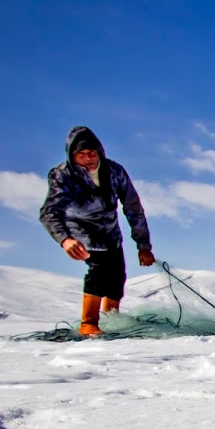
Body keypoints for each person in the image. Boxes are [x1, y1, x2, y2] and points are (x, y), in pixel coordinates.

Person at [39, 125, 155, 336]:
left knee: (117, 276)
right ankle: (89, 323)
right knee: (99, 270)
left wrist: (143, 246)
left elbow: (133, 208)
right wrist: (65, 240)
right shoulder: (62, 175)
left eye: (92, 153)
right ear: (72, 157)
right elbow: (49, 212)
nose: (88, 159)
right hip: (81, 232)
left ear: (100, 152)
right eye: (81, 155)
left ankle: (112, 318)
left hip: (110, 233)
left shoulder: (115, 172)